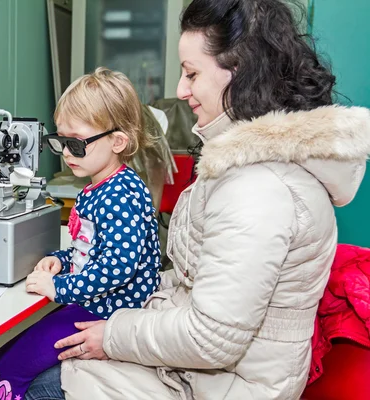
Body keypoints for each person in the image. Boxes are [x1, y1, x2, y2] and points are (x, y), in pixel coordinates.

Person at [24, 0, 370, 399]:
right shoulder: (247, 170)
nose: (180, 90)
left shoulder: (261, 190)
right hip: (201, 373)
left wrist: (114, 333)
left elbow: (211, 338)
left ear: (241, 73)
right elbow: (196, 283)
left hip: (219, 386)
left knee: (37, 383)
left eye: (191, 74)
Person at [0, 67, 162, 400]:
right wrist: (61, 259)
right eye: (60, 141)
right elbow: (91, 250)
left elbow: (115, 268)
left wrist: (59, 287)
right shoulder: (99, 188)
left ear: (118, 141)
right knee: (10, 352)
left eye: (76, 143)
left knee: (9, 366)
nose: (66, 153)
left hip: (109, 312)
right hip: (95, 301)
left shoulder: (121, 195)